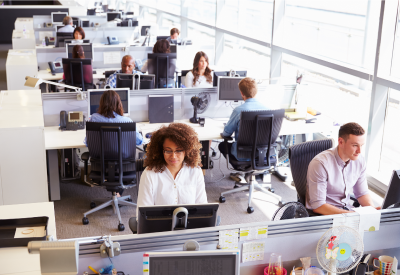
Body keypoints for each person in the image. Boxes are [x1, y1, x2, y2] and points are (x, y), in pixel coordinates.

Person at [306, 123, 380, 215]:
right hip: (325, 214)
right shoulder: (320, 164)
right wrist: (349, 215)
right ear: (341, 142)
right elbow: (318, 206)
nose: (359, 151)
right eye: (355, 145)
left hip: (345, 210)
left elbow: (362, 193)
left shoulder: (359, 160)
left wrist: (372, 209)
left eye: (361, 145)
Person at [136, 123, 207, 214]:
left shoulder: (195, 171)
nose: (173, 156)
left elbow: (203, 208)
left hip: (191, 226)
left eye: (178, 150)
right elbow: (142, 213)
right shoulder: (150, 174)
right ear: (161, 151)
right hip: (160, 227)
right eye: (168, 150)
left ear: (187, 150)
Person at [86, 90, 144, 196]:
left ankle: (117, 194)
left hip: (100, 168)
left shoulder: (93, 119)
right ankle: (118, 193)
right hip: (125, 168)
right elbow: (140, 141)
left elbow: (87, 142)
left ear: (101, 103)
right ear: (119, 104)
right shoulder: (127, 121)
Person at [220, 77, 270, 161]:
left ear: (242, 93)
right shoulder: (268, 110)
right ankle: (250, 170)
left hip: (242, 154)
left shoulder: (238, 111)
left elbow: (226, 134)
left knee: (221, 145)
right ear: (256, 91)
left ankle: (242, 169)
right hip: (262, 154)